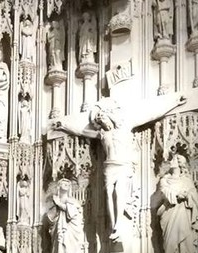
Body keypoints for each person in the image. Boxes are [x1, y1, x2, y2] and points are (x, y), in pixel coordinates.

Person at [52, 93, 186, 241]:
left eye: (102, 117)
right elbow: (82, 131)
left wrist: (174, 103)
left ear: (110, 116)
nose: (101, 121)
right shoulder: (102, 134)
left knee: (118, 193)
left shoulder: (125, 126)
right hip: (109, 167)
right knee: (109, 194)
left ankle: (119, 224)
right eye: (99, 119)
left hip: (123, 165)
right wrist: (64, 125)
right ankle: (114, 222)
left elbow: (151, 114)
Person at [156, 153, 198, 253]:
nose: (171, 161)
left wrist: (187, 196)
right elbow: (164, 192)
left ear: (180, 164)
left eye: (174, 159)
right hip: (170, 213)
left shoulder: (187, 181)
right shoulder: (165, 180)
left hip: (183, 213)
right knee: (170, 240)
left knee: (184, 237)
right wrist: (178, 194)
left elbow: (194, 197)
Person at [45, 178, 84, 253]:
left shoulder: (73, 201)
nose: (66, 184)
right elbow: (50, 219)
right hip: (58, 232)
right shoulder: (54, 200)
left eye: (68, 183)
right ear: (58, 185)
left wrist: (60, 205)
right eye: (63, 182)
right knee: (59, 252)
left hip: (70, 232)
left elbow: (74, 214)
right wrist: (55, 207)